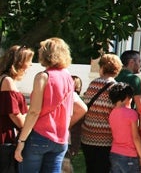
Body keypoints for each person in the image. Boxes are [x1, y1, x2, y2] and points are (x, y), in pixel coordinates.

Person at [15, 38, 87, 172]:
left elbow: (34, 111)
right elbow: (81, 108)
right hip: (60, 138)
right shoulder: (68, 77)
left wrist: (21, 141)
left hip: (40, 135)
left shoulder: (43, 77)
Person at [81, 53, 122, 173]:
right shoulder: (116, 88)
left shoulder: (93, 84)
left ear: (102, 68)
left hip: (88, 135)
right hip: (107, 138)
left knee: (90, 167)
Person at [0, 45, 33, 172]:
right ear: (20, 62)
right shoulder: (7, 81)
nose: (30, 65)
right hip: (6, 138)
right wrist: (28, 126)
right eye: (28, 61)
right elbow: (14, 114)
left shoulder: (5, 79)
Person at [108, 82, 141, 172]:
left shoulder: (112, 113)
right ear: (127, 97)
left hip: (115, 153)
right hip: (129, 156)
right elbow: (135, 137)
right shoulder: (132, 113)